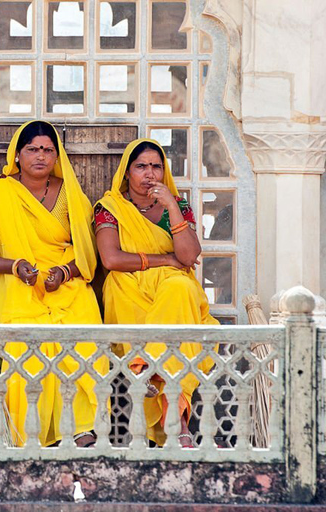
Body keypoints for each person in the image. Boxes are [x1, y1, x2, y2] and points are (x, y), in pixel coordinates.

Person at [0, 120, 106, 448]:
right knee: (26, 346)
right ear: (17, 155)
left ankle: (81, 428)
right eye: (32, 149)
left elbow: (88, 251)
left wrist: (66, 272)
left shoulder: (71, 194)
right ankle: (30, 431)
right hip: (15, 284)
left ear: (57, 157)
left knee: (82, 339)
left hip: (65, 285)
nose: (40, 156)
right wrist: (13, 266)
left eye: (47, 150)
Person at [94, 138, 218, 448]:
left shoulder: (179, 206)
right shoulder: (110, 207)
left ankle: (147, 372)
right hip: (128, 285)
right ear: (127, 172)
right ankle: (177, 423)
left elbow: (189, 258)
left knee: (179, 290)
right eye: (141, 167)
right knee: (168, 310)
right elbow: (111, 260)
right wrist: (163, 260)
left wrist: (173, 207)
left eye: (156, 167)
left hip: (172, 287)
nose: (149, 173)